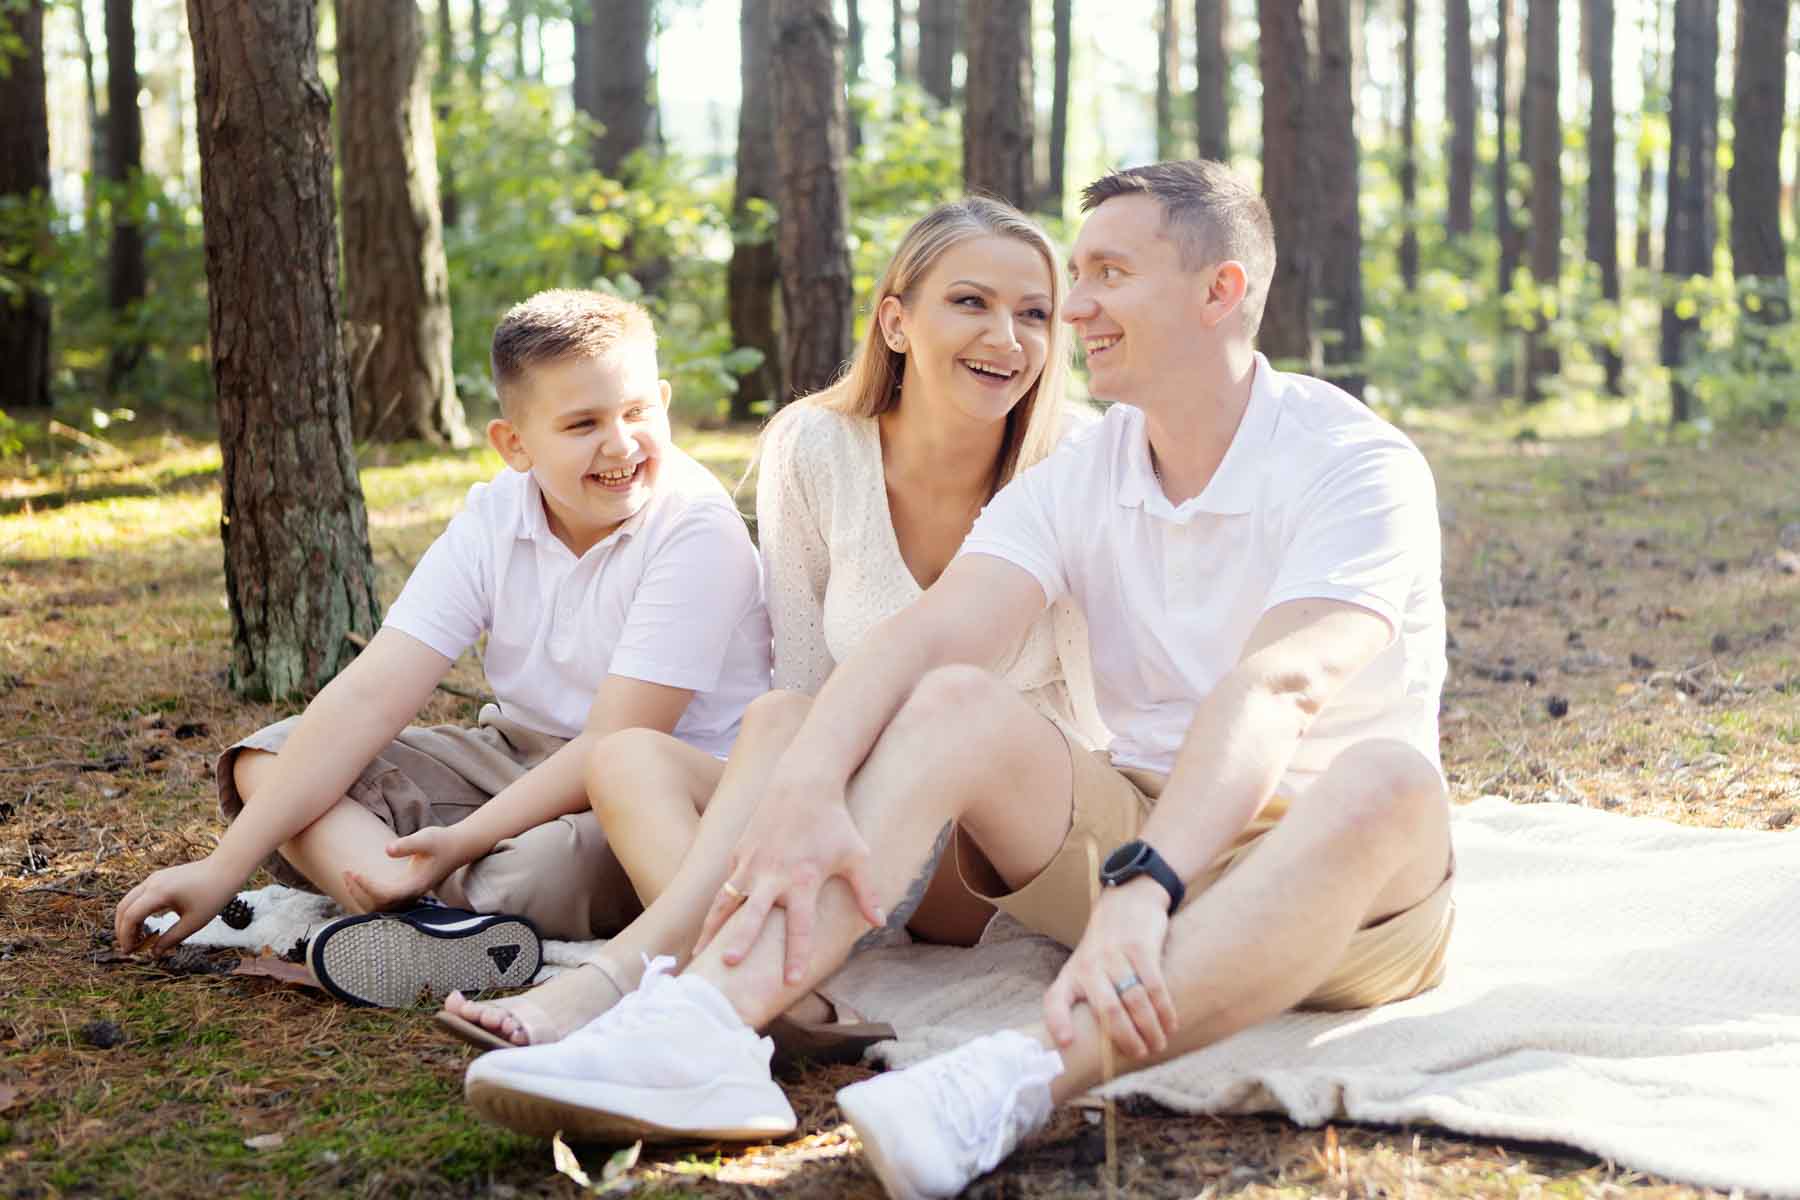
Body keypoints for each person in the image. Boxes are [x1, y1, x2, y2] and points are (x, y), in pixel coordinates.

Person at [458, 159, 1454, 1191]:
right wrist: (807, 784)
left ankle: (1014, 1079)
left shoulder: (1353, 462)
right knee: (953, 701)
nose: (1077, 307)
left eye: (1109, 275)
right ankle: (705, 1026)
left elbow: (1276, 687)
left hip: (1337, 881)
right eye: (1078, 276)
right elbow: (923, 639)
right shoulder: (1083, 474)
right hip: (1128, 833)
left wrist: (1146, 882)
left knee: (1389, 781)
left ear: (1220, 291)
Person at [442, 196, 1106, 1051]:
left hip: (993, 847)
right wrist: (806, 805)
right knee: (640, 752)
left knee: (891, 722)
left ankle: (632, 974)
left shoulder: (1077, 455)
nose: (1006, 338)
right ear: (896, 323)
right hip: (853, 812)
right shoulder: (816, 446)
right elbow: (799, 681)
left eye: (1036, 314)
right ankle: (777, 1002)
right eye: (971, 302)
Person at [113, 289, 772, 1009]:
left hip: (652, 792)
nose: (621, 444)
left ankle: (426, 908)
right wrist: (224, 868)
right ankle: (435, 925)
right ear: (515, 444)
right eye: (583, 424)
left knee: (527, 876)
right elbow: (373, 693)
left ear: (664, 402)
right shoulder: (495, 516)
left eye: (638, 412)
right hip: (517, 754)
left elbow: (613, 743)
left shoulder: (695, 528)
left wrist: (460, 842)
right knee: (267, 761)